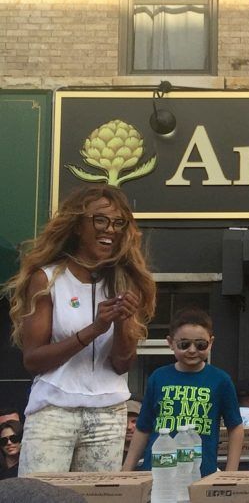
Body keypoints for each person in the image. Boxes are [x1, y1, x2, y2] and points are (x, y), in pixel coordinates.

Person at [4, 185, 156, 475]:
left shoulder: (125, 281)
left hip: (108, 412)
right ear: (76, 225)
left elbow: (122, 363)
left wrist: (123, 322)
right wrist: (95, 329)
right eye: (100, 220)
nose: (109, 229)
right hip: (54, 410)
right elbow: (33, 360)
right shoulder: (47, 279)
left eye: (118, 222)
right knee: (41, 496)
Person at [123, 307, 244, 476]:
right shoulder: (158, 377)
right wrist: (126, 472)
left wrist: (231, 474)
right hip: (158, 472)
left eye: (201, 344)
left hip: (200, 473)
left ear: (211, 343)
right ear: (170, 343)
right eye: (184, 344)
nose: (192, 350)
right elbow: (143, 428)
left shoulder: (221, 380)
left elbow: (235, 427)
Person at [123, 397, 142, 461]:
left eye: (134, 421)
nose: (129, 427)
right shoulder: (112, 453)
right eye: (124, 421)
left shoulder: (148, 453)